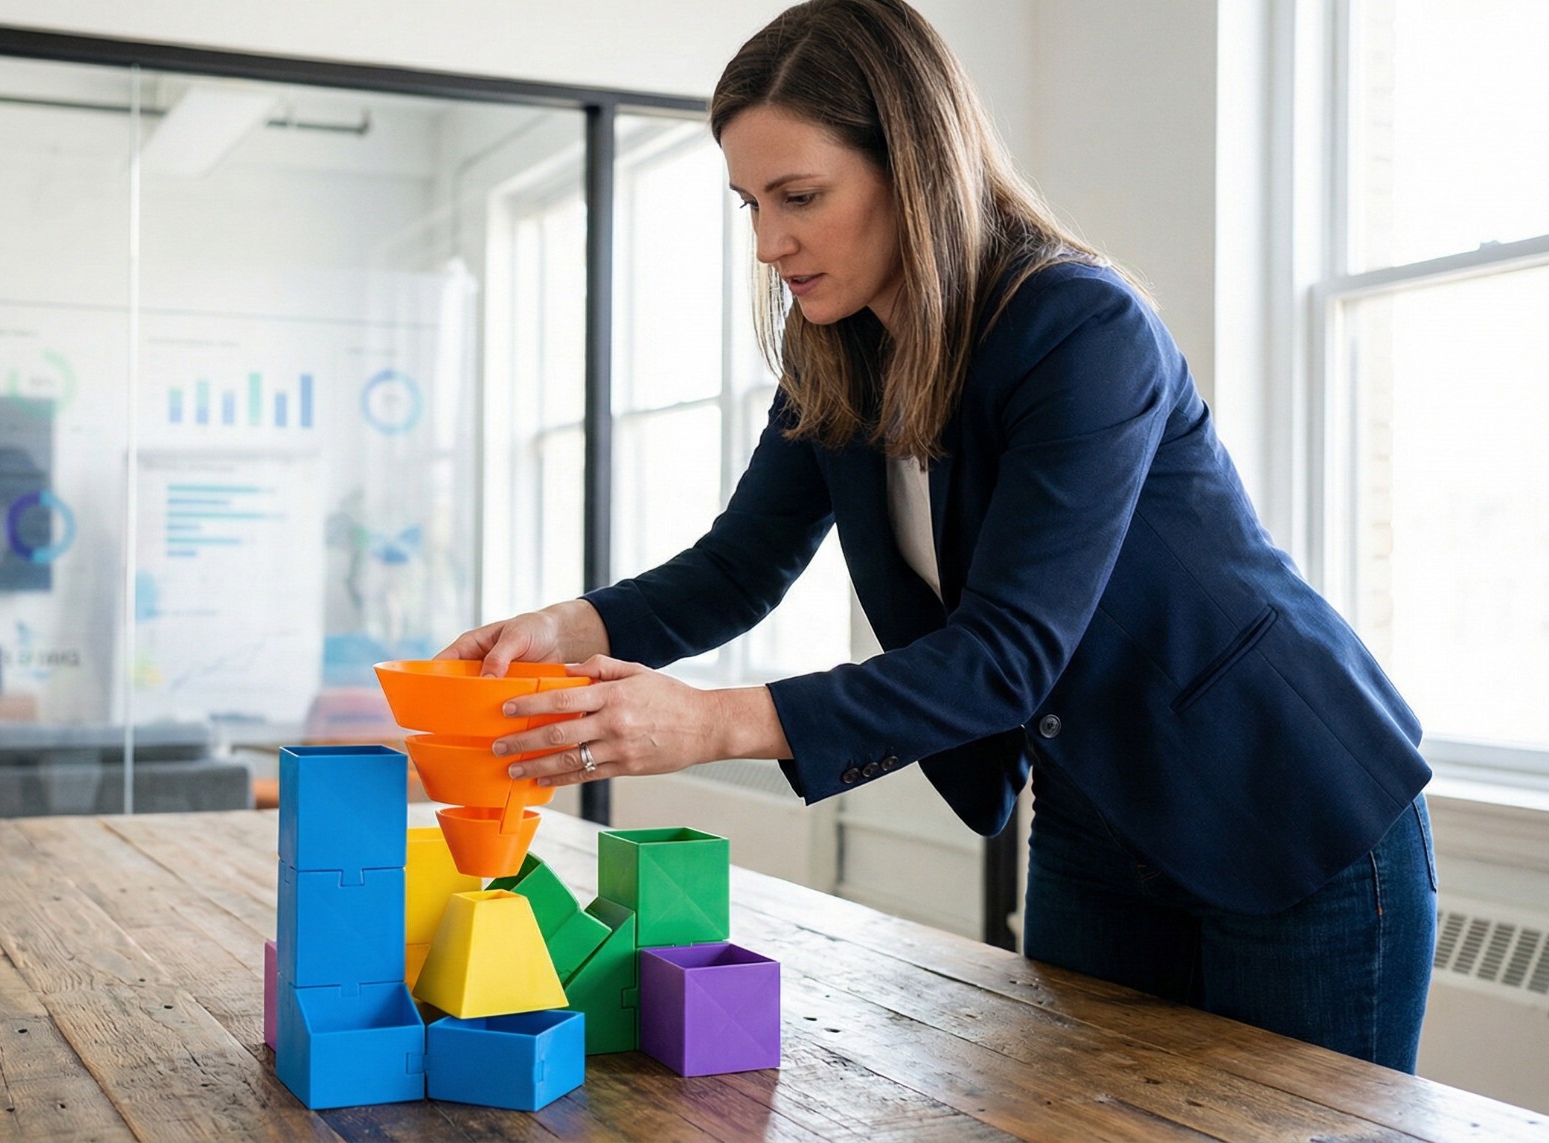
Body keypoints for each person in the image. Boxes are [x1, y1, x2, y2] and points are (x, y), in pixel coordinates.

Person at [438, 0, 1438, 1072]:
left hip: (1289, 806)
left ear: (912, 166)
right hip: (1097, 818)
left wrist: (709, 723)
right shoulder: (835, 354)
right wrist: (563, 629)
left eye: (800, 197)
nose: (770, 243)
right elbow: (738, 566)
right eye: (750, 205)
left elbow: (1008, 654)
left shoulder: (1079, 327)